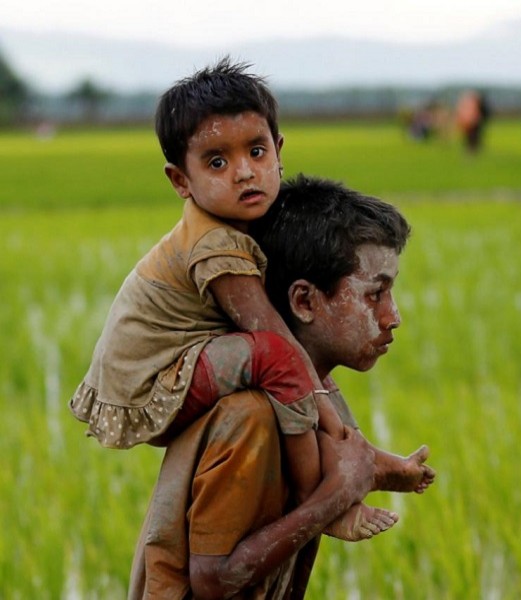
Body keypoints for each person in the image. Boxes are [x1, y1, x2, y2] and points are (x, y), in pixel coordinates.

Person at [69, 58, 431, 543]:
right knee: (285, 360)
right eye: (217, 162)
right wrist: (320, 408)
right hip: (155, 382)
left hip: (187, 365)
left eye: (257, 152)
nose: (244, 173)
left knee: (306, 372)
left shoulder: (236, 222)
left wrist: (317, 394)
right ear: (181, 181)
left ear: (279, 151)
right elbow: (272, 337)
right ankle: (322, 498)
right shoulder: (215, 244)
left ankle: (369, 464)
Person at [130, 174, 430, 597]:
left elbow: (351, 458)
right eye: (374, 294)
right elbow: (213, 579)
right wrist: (331, 502)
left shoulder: (315, 395)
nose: (393, 315)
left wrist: (394, 472)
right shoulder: (249, 418)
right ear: (304, 301)